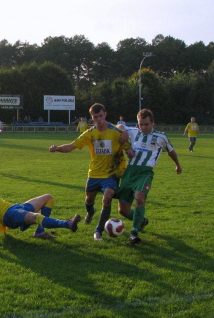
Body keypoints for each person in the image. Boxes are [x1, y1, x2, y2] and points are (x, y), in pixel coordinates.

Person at [49, 103, 133, 241]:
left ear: (105, 114)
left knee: (107, 198)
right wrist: (57, 148)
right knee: (89, 200)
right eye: (95, 117)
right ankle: (91, 211)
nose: (99, 119)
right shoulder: (90, 134)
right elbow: (71, 146)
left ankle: (98, 231)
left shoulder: (116, 132)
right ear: (92, 118)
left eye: (101, 116)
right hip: (94, 174)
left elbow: (127, 146)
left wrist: (129, 151)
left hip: (112, 174)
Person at [0, 169, 81, 243]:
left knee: (48, 198)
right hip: (9, 215)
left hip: (15, 208)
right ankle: (67, 224)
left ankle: (40, 232)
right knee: (35, 217)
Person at [117, 109, 182, 245]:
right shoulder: (134, 132)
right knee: (123, 210)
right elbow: (119, 127)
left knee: (140, 198)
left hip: (145, 172)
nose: (144, 127)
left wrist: (178, 165)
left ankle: (134, 232)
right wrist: (123, 133)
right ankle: (142, 220)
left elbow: (171, 151)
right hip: (129, 172)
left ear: (153, 122)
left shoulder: (161, 137)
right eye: (141, 124)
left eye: (146, 124)